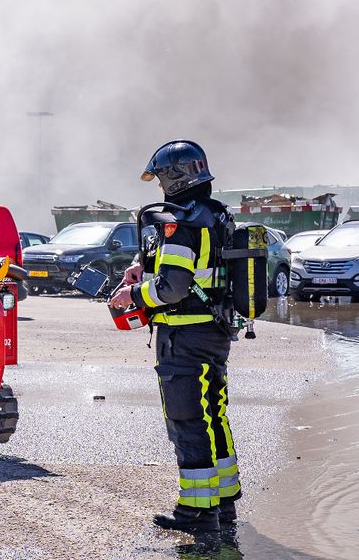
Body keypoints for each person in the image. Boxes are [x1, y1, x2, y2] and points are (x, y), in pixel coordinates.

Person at [109, 140, 241, 539]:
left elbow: (173, 287)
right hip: (214, 331)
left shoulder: (180, 222)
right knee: (213, 412)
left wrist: (132, 295)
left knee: (187, 420)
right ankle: (224, 502)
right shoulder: (215, 215)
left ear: (175, 177)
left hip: (184, 336)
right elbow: (195, 267)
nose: (160, 188)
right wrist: (141, 266)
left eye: (162, 179)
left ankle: (196, 512)